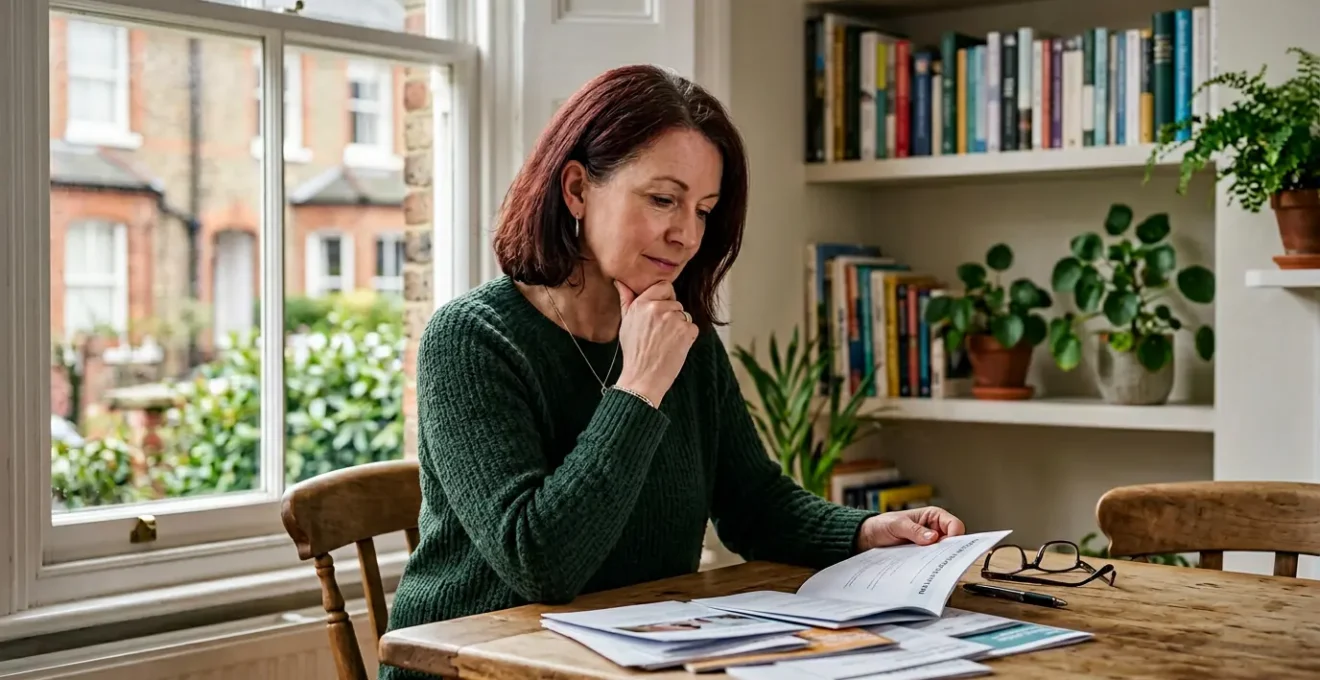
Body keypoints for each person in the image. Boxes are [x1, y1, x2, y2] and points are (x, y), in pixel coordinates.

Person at [379, 64, 965, 679]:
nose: (686, 234)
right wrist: (639, 386)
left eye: (705, 210)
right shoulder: (472, 340)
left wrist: (869, 531)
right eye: (663, 199)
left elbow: (752, 503)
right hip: (476, 668)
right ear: (577, 189)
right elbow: (540, 563)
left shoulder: (681, 334)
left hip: (629, 662)